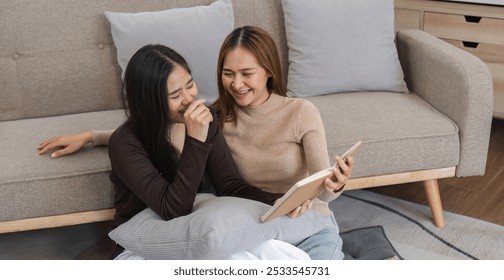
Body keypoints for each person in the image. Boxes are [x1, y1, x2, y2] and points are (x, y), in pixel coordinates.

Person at [38, 27, 354, 259]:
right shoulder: (131, 143)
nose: (190, 98)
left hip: (200, 218)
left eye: (190, 85)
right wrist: (195, 140)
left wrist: (281, 201)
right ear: (150, 102)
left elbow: (230, 184)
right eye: (176, 95)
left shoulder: (207, 118)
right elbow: (172, 208)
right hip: (153, 225)